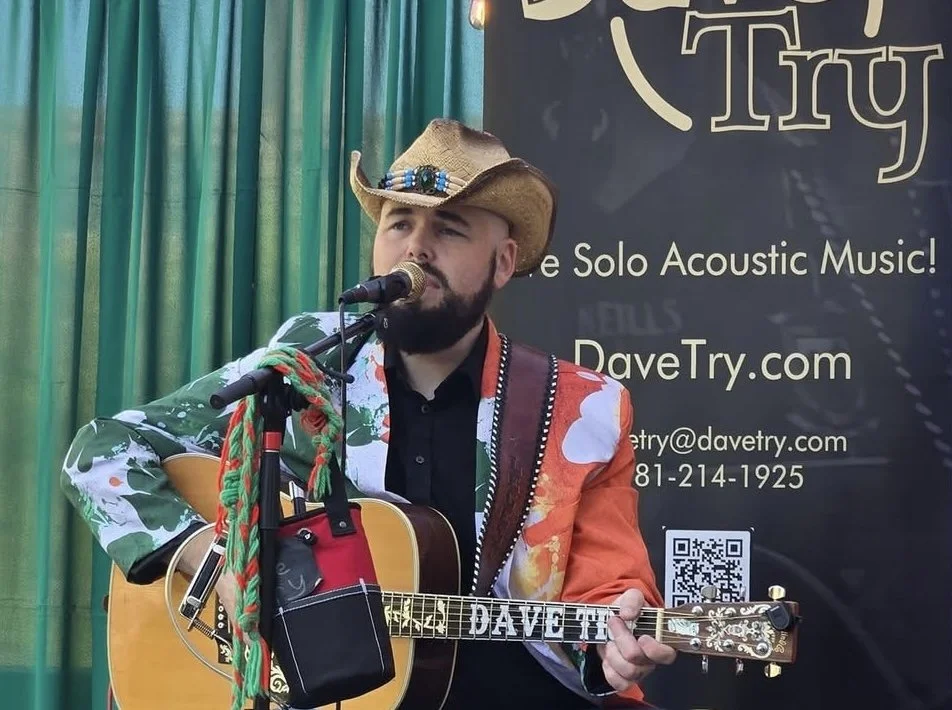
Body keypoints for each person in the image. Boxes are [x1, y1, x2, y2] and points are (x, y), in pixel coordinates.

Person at [61, 118, 676, 708]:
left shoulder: (580, 410)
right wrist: (214, 560)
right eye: (399, 224)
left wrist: (615, 650)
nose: (416, 248)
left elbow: (606, 598)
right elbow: (102, 451)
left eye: (450, 229)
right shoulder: (307, 366)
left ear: (504, 262)